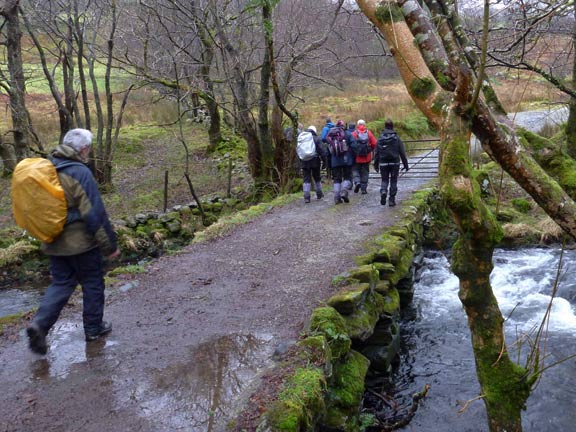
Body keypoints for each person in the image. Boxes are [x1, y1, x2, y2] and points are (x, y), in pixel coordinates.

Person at [26, 128, 120, 355]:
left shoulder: (47, 169)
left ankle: (40, 324)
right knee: (92, 282)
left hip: (53, 240)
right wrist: (110, 246)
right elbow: (93, 212)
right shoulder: (79, 172)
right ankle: (93, 329)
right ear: (84, 149)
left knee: (61, 284)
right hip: (81, 243)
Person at [374, 119, 409, 207]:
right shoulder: (396, 138)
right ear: (392, 126)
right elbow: (402, 152)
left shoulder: (380, 138)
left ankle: (383, 191)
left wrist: (376, 165)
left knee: (384, 180)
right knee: (394, 180)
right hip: (395, 163)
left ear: (385, 126)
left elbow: (376, 153)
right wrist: (406, 165)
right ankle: (391, 200)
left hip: (383, 163)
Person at [327, 120, 354, 204]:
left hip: (335, 160)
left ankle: (336, 198)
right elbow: (354, 145)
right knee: (347, 177)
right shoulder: (348, 134)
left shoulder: (331, 135)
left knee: (337, 179)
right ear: (344, 126)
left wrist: (328, 163)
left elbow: (327, 151)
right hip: (347, 160)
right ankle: (344, 191)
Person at [299, 125, 325, 203]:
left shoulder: (302, 138)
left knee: (306, 178)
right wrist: (324, 161)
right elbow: (322, 151)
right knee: (317, 177)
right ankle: (319, 193)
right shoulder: (317, 138)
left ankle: (306, 197)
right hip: (315, 161)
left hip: (304, 161)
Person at [351, 119, 377, 194]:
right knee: (365, 173)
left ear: (357, 125)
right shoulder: (368, 133)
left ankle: (357, 182)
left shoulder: (354, 134)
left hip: (356, 157)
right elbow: (375, 144)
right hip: (366, 157)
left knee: (355, 170)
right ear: (364, 125)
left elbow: (350, 145)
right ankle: (363, 189)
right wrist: (370, 150)